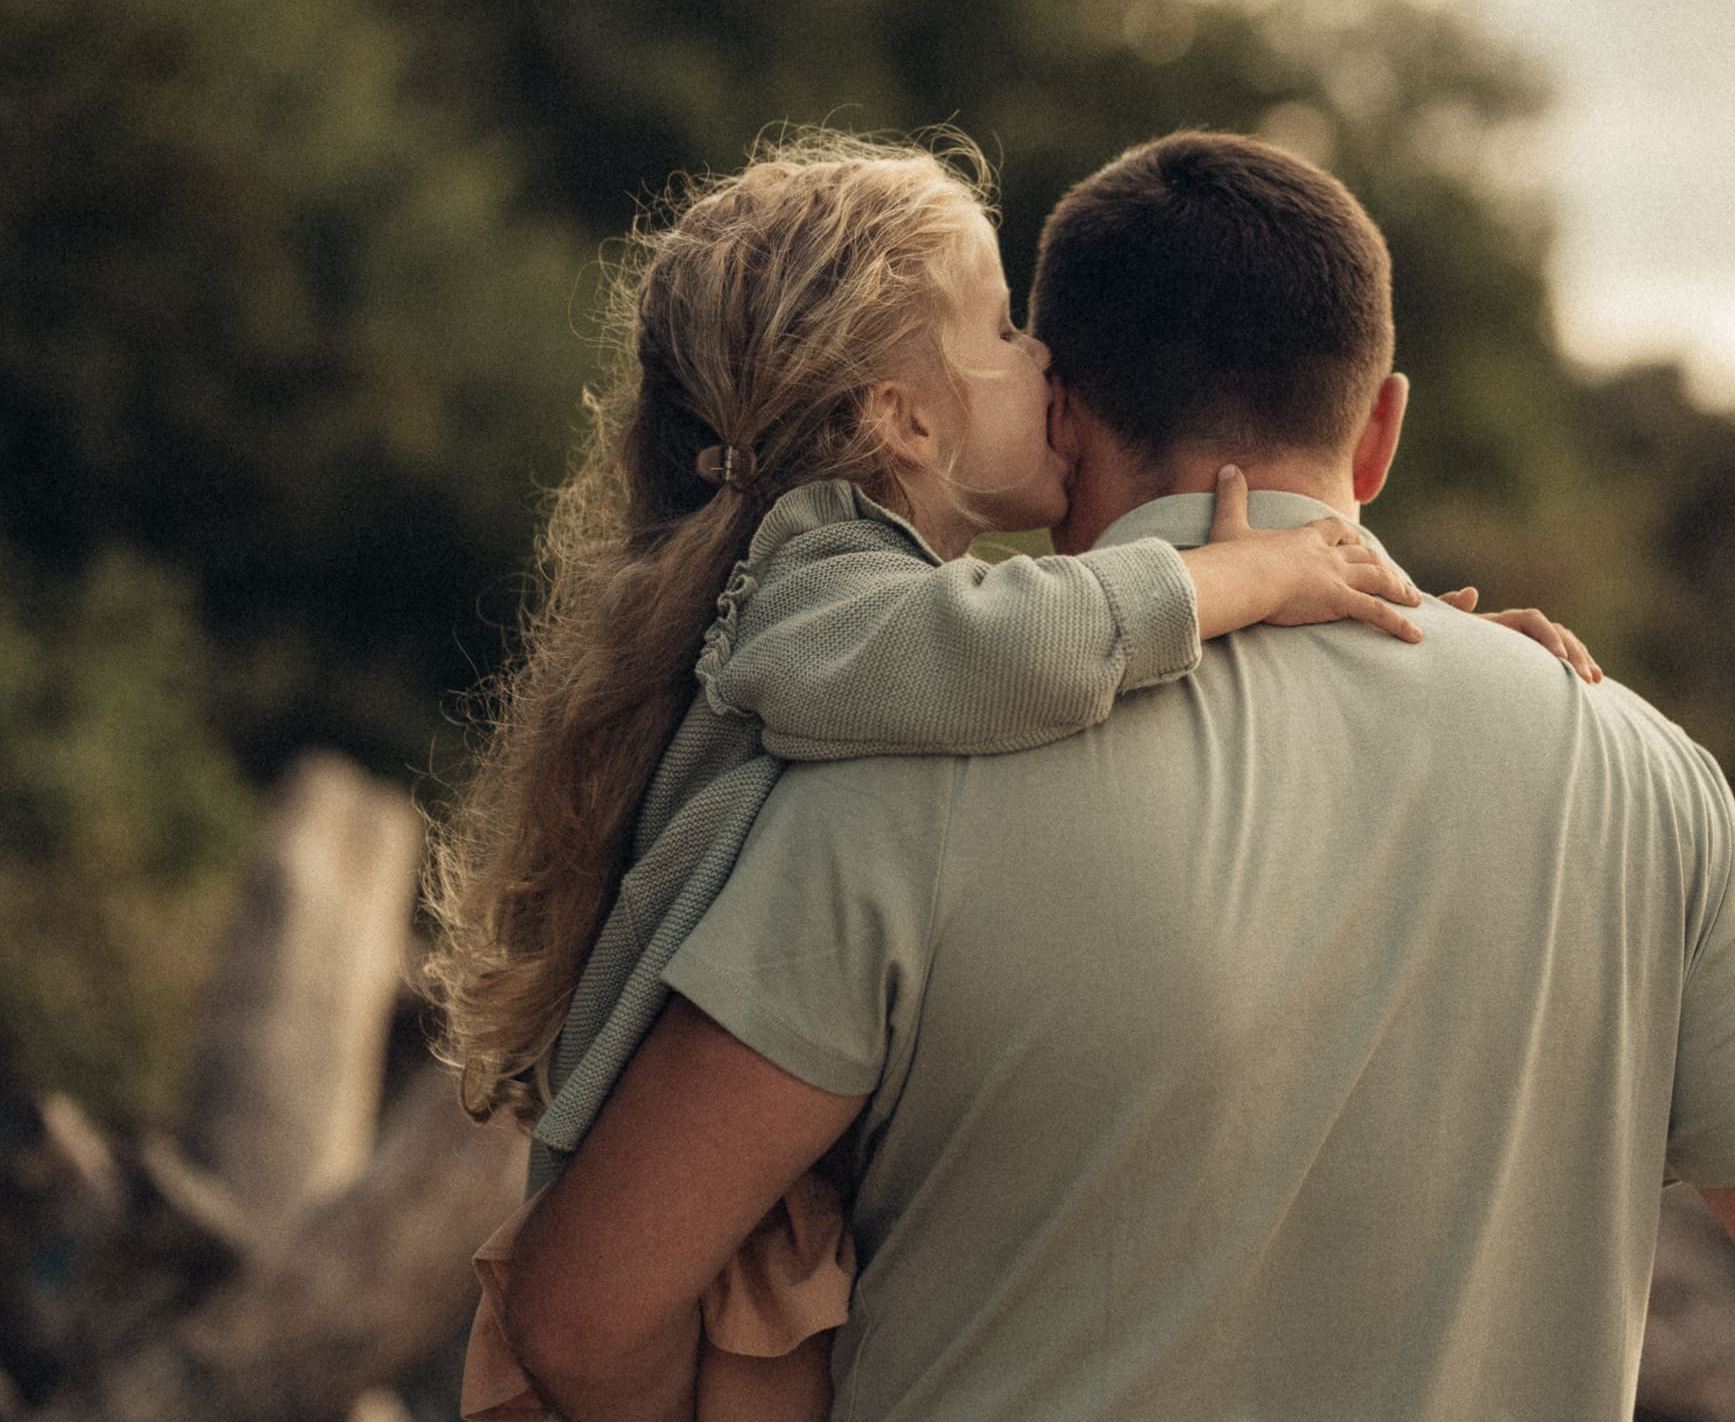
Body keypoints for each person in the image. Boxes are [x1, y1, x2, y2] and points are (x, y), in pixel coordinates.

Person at [498, 132, 1735, 1422]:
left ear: (1063, 410)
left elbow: (580, 1317)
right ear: (1378, 433)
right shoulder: (1639, 777)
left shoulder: (892, 776)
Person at [424, 131, 1596, 1422]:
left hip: (745, 1229)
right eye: (1001, 330)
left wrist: (1429, 643)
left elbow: (1028, 651)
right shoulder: (818, 583)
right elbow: (1006, 646)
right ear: (905, 416)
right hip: (681, 1253)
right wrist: (1240, 573)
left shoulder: (880, 609)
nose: (1047, 357)